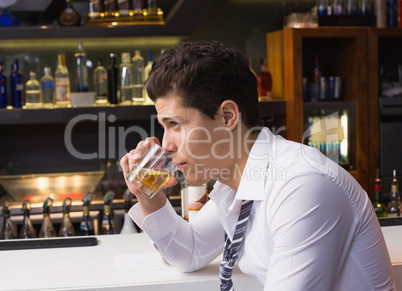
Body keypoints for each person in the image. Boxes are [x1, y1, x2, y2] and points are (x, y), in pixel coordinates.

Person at [120, 41, 396, 290]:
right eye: (164, 127)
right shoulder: (237, 181)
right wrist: (149, 196)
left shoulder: (301, 186)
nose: (165, 144)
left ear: (227, 116)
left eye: (175, 125)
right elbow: (190, 252)